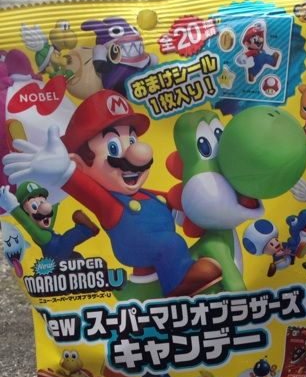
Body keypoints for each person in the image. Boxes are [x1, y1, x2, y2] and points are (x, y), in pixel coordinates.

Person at [2, 89, 221, 296]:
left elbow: (169, 201)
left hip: (159, 251)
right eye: (113, 147)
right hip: (136, 249)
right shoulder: (110, 204)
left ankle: (171, 269)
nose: (137, 154)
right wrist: (64, 172)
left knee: (172, 242)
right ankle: (178, 283)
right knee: (171, 243)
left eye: (132, 140)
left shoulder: (147, 194)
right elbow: (85, 190)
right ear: (80, 164)